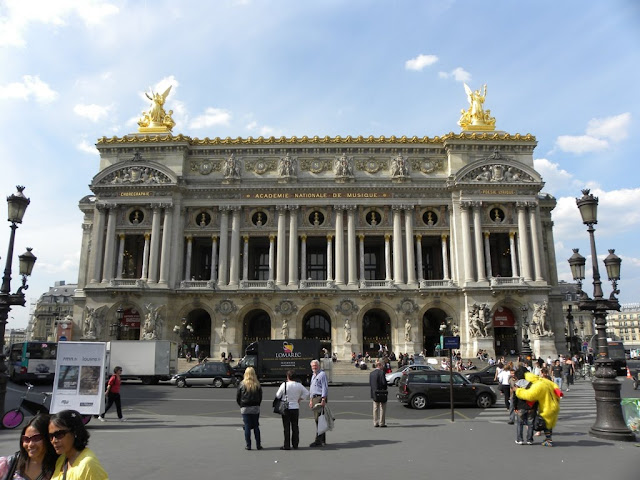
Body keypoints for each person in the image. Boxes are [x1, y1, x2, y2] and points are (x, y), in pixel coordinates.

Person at [49, 410, 109, 479]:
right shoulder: (62, 459)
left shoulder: (88, 464)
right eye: (51, 436)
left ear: (75, 432)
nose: (54, 441)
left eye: (59, 434)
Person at [0, 414, 58, 480]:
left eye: (36, 438)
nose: (30, 444)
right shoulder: (7, 465)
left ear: (48, 438)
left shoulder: (61, 467)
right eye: (26, 439)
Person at [514, 369, 563, 447]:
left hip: (547, 407)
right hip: (554, 404)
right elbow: (555, 386)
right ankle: (547, 439)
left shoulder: (538, 385)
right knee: (549, 423)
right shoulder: (544, 381)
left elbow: (530, 395)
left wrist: (518, 391)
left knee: (546, 424)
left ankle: (548, 440)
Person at [275, 370, 309, 450]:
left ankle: (286, 445)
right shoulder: (299, 385)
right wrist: (300, 398)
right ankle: (295, 444)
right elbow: (307, 392)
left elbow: (278, 395)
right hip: (295, 407)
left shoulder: (284, 385)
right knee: (295, 426)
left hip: (286, 407)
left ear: (288, 377)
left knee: (286, 427)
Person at [236, 367, 263, 450]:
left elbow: (238, 397)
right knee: (256, 426)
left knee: (247, 426)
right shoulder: (257, 384)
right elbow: (260, 397)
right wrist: (257, 404)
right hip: (255, 407)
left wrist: (241, 405)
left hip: (245, 407)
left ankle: (248, 445)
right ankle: (258, 445)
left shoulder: (242, 384)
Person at [513, 367, 538, 445]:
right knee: (530, 423)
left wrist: (515, 407)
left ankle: (520, 439)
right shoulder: (532, 384)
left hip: (521, 406)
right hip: (531, 406)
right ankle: (529, 439)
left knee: (520, 424)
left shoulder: (517, 385)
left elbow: (515, 397)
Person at [308, 359, 329, 447]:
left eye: (315, 366)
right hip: (314, 398)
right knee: (320, 419)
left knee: (318, 419)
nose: (314, 367)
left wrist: (323, 399)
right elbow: (312, 388)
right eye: (312, 366)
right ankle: (322, 440)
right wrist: (310, 400)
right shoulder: (313, 375)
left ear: (318, 366)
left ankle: (318, 440)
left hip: (320, 398)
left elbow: (325, 387)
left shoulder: (322, 374)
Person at [369, 360, 388, 427]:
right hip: (382, 393)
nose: (383, 367)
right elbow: (384, 383)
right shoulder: (382, 373)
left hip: (374, 393)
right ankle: (381, 423)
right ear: (379, 365)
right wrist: (385, 388)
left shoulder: (371, 373)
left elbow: (370, 384)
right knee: (382, 408)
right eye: (382, 365)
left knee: (375, 408)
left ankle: (375, 422)